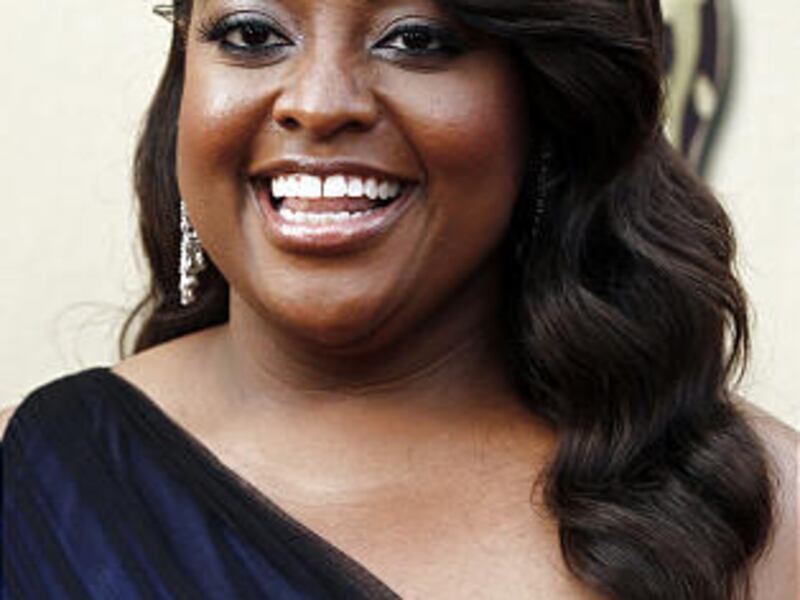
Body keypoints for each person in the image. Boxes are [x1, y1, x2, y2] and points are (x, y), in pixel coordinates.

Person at [1, 0, 797, 598]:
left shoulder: (761, 516)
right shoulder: (25, 483)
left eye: (416, 39)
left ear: (548, 104)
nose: (318, 103)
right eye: (251, 33)